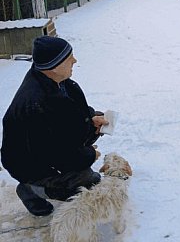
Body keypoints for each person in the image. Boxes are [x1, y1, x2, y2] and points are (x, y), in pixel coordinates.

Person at [1, 37, 108, 216]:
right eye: (69, 58)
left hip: (48, 147)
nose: (75, 61)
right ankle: (30, 189)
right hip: (28, 164)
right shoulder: (36, 104)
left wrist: (92, 118)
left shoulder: (53, 79)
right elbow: (56, 153)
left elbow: (70, 113)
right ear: (54, 65)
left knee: (96, 125)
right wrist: (90, 155)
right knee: (87, 182)